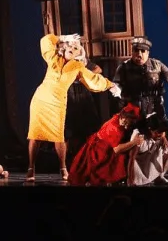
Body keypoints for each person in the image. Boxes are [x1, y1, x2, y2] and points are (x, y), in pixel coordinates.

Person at [26, 33, 121, 182]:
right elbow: (45, 40)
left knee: (59, 136)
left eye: (76, 48)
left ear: (78, 54)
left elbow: (93, 79)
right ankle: (31, 168)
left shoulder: (77, 67)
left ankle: (63, 168)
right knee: (35, 135)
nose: (72, 48)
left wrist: (110, 85)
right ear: (65, 47)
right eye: (70, 45)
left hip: (57, 103)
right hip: (40, 100)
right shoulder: (54, 57)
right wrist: (62, 38)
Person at [112, 35, 168, 127]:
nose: (139, 54)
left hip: (155, 111)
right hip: (132, 113)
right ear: (132, 52)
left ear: (148, 53)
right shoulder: (123, 67)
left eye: (143, 51)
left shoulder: (157, 65)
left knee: (163, 134)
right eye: (136, 51)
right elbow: (116, 86)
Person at [68, 103, 143, 186]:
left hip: (102, 146)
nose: (126, 126)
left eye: (128, 124)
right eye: (125, 122)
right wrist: (134, 142)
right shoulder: (114, 128)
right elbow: (116, 149)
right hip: (98, 150)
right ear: (123, 117)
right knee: (96, 175)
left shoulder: (119, 117)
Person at [128, 112, 168, 186]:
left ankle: (159, 177)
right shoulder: (139, 136)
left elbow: (162, 132)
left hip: (149, 154)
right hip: (138, 161)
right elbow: (131, 158)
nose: (159, 135)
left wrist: (163, 138)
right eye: (157, 132)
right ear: (150, 129)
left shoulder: (158, 133)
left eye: (161, 132)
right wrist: (130, 179)